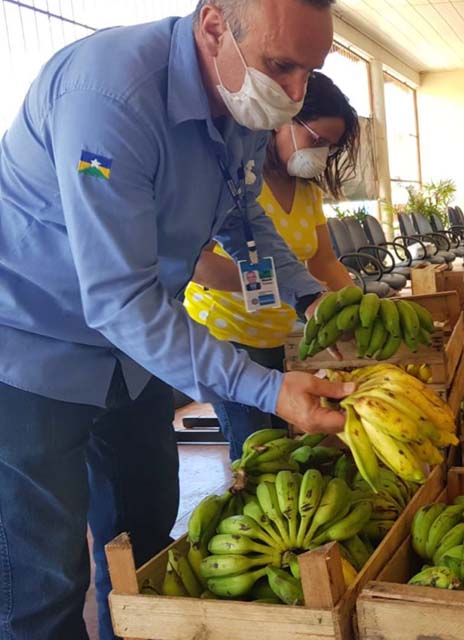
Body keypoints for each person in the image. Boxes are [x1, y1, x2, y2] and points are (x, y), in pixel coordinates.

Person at [0, 1, 356, 638]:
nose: (296, 94)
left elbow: (246, 221)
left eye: (310, 71)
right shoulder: (109, 99)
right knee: (44, 581)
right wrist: (267, 388)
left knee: (144, 538)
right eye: (282, 65)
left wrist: (310, 297)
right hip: (32, 348)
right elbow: (116, 297)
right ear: (216, 25)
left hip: (133, 358)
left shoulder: (241, 104)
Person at [186, 71, 358, 460]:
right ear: (282, 120)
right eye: (316, 140)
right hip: (226, 334)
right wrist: (265, 284)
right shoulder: (238, 182)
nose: (321, 154)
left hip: (273, 336)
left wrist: (355, 307)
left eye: (330, 147)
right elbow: (197, 263)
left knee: (280, 443)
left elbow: (324, 260)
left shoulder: (308, 192)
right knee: (258, 451)